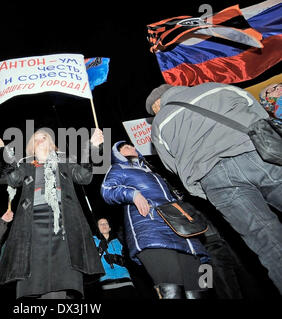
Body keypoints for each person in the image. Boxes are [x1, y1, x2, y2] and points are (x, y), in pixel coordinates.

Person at [146, 82, 282, 294]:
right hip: (256, 154)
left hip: (215, 179)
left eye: (153, 110)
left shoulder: (160, 123)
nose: (156, 113)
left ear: (158, 103)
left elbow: (171, 165)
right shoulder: (216, 87)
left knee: (266, 240)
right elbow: (256, 111)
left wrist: (201, 186)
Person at [0, 128, 105, 299]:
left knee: (61, 278)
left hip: (63, 221)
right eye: (36, 138)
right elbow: (13, 179)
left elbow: (83, 176)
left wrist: (93, 147)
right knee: (35, 278)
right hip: (32, 223)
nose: (40, 140)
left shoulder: (65, 161)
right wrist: (1, 150)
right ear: (31, 147)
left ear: (52, 144)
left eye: (44, 137)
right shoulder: (25, 165)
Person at [101, 141, 210, 299]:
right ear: (117, 155)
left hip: (184, 232)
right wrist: (132, 194)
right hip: (151, 230)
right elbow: (107, 190)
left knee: (200, 290)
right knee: (172, 291)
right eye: (126, 147)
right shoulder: (119, 168)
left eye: (133, 146)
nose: (132, 148)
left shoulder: (154, 172)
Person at [93, 218, 137, 299]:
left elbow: (131, 260)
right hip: (106, 283)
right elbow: (91, 263)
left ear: (110, 227)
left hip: (125, 281)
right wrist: (100, 250)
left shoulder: (119, 240)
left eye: (106, 223)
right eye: (101, 224)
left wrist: (117, 259)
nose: (104, 225)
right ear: (97, 228)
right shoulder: (92, 241)